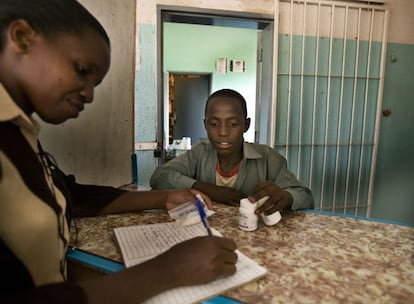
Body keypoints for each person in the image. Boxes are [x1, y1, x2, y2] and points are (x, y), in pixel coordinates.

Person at [0, 1, 238, 303]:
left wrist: (164, 198)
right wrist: (167, 270)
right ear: (22, 37)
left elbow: (71, 194)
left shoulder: (19, 133)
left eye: (95, 83)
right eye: (82, 71)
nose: (89, 94)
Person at [150, 88, 314, 215]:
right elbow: (160, 177)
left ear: (246, 125)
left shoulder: (267, 158)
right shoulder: (199, 153)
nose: (222, 132)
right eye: (214, 124)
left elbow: (305, 196)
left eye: (233, 124)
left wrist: (285, 197)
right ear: (205, 125)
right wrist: (211, 190)